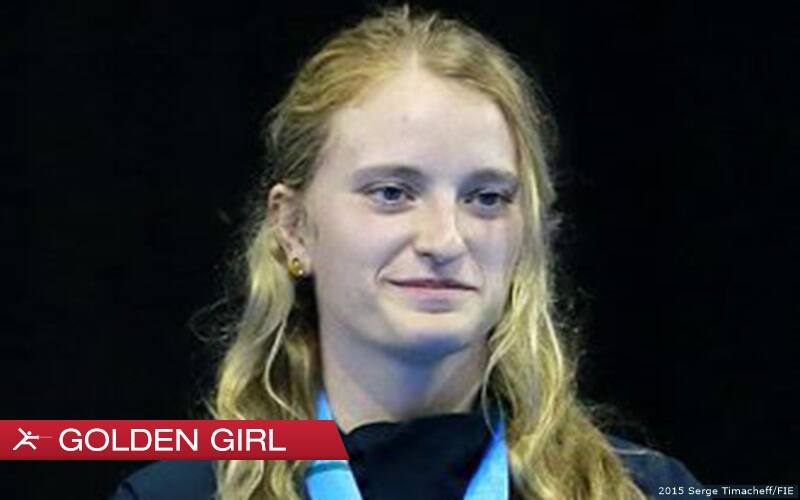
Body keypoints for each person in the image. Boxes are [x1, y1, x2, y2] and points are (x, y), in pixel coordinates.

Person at [111, 5, 702, 499]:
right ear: (293, 228)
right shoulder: (177, 496)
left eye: (487, 198)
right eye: (392, 193)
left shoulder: (644, 490)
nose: (444, 240)